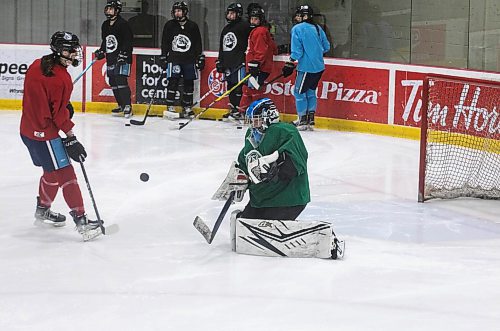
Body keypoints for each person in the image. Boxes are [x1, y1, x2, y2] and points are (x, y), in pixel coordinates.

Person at [20, 31, 102, 241]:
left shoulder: (37, 64)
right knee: (66, 174)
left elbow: (44, 100)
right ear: (61, 51)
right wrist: (71, 137)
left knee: (50, 172)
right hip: (45, 135)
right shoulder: (62, 79)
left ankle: (42, 211)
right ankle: (82, 223)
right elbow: (57, 116)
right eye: (72, 50)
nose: (75, 53)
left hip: (27, 131)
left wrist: (62, 105)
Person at [235, 98, 310, 220]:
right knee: (243, 224)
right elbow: (246, 158)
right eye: (251, 121)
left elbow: (296, 163)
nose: (253, 125)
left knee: (264, 232)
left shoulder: (286, 131)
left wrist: (275, 168)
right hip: (262, 199)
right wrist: (239, 178)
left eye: (257, 120)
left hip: (287, 198)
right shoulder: (251, 135)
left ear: (268, 118)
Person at [282, 5, 330, 130]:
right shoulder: (317, 28)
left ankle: (302, 120)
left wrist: (290, 61)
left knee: (299, 92)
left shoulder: (297, 29)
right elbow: (326, 47)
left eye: (299, 15)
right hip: (319, 67)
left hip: (306, 68)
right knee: (310, 92)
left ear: (305, 16)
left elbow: (297, 51)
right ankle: (311, 120)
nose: (297, 17)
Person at [161, 1, 204, 120]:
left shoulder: (193, 26)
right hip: (174, 59)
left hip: (189, 60)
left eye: (179, 10)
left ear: (185, 12)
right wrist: (163, 56)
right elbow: (165, 42)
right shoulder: (169, 25)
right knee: (173, 82)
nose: (177, 13)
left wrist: (200, 56)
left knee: (189, 83)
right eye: (175, 11)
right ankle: (170, 106)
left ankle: (187, 107)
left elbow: (197, 43)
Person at [95, 0, 134, 118]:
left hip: (123, 58)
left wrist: (124, 54)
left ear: (117, 10)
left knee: (121, 80)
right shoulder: (105, 25)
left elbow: (128, 41)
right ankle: (121, 105)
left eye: (111, 9)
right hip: (111, 57)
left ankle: (128, 106)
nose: (108, 11)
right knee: (113, 81)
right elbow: (106, 41)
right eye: (107, 9)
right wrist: (102, 50)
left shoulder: (123, 24)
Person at [216, 3, 251, 121]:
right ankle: (232, 108)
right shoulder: (226, 29)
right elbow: (222, 46)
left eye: (232, 13)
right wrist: (220, 61)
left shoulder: (244, 26)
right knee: (230, 86)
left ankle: (239, 109)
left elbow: (251, 42)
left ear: (239, 14)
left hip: (239, 62)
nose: (230, 16)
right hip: (228, 63)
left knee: (238, 86)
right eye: (229, 13)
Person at [239, 7, 277, 113]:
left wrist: (256, 64)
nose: (253, 21)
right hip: (255, 66)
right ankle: (244, 111)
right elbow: (273, 48)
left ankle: (256, 112)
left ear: (261, 19)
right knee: (248, 88)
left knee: (254, 89)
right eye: (251, 19)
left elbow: (261, 50)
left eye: (255, 19)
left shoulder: (260, 31)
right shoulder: (260, 30)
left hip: (258, 68)